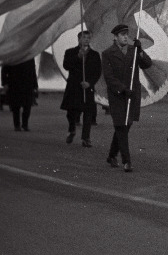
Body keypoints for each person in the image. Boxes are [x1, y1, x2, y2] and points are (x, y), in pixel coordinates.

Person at [102, 24, 153, 173]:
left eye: (126, 34)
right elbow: (109, 77)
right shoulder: (107, 53)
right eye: (122, 35)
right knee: (121, 126)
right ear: (115, 37)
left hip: (132, 95)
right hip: (118, 95)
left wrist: (140, 50)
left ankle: (112, 155)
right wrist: (123, 89)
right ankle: (127, 161)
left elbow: (147, 64)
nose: (125, 37)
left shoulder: (133, 50)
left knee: (125, 126)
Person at [60, 30, 102, 146]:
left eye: (88, 38)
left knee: (88, 113)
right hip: (74, 87)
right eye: (84, 37)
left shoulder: (95, 54)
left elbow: (97, 71)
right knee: (71, 112)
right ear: (79, 39)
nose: (86, 40)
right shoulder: (70, 52)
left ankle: (85, 138)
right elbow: (66, 66)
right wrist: (78, 57)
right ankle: (72, 130)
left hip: (87, 88)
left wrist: (90, 83)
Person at [2, 59, 38, 131]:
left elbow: (33, 71)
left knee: (26, 106)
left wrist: (35, 85)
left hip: (25, 84)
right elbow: (4, 70)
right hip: (15, 84)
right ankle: (18, 125)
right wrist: (5, 83)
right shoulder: (18, 56)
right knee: (16, 106)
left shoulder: (25, 56)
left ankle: (23, 125)